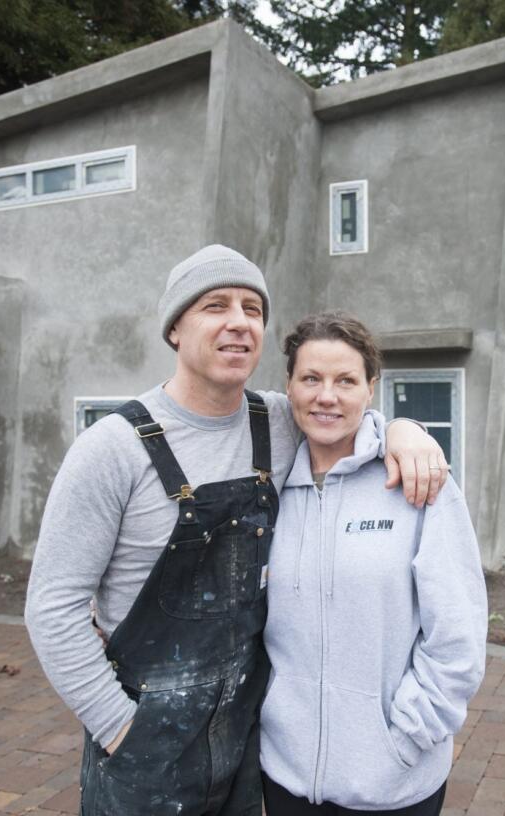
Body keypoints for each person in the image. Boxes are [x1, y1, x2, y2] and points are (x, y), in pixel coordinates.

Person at [24, 246, 448, 816]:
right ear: (175, 328)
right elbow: (54, 607)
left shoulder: (277, 421)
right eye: (215, 305)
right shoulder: (111, 449)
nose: (239, 322)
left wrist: (404, 429)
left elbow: (342, 408)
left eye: (253, 308)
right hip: (143, 749)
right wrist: (118, 726)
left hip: (249, 746)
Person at [260, 312, 488, 815]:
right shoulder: (268, 491)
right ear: (289, 387)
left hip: (392, 781)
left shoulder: (418, 483)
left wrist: (404, 741)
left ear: (371, 389)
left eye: (346, 380)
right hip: (286, 774)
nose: (327, 396)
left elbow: (457, 638)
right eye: (311, 379)